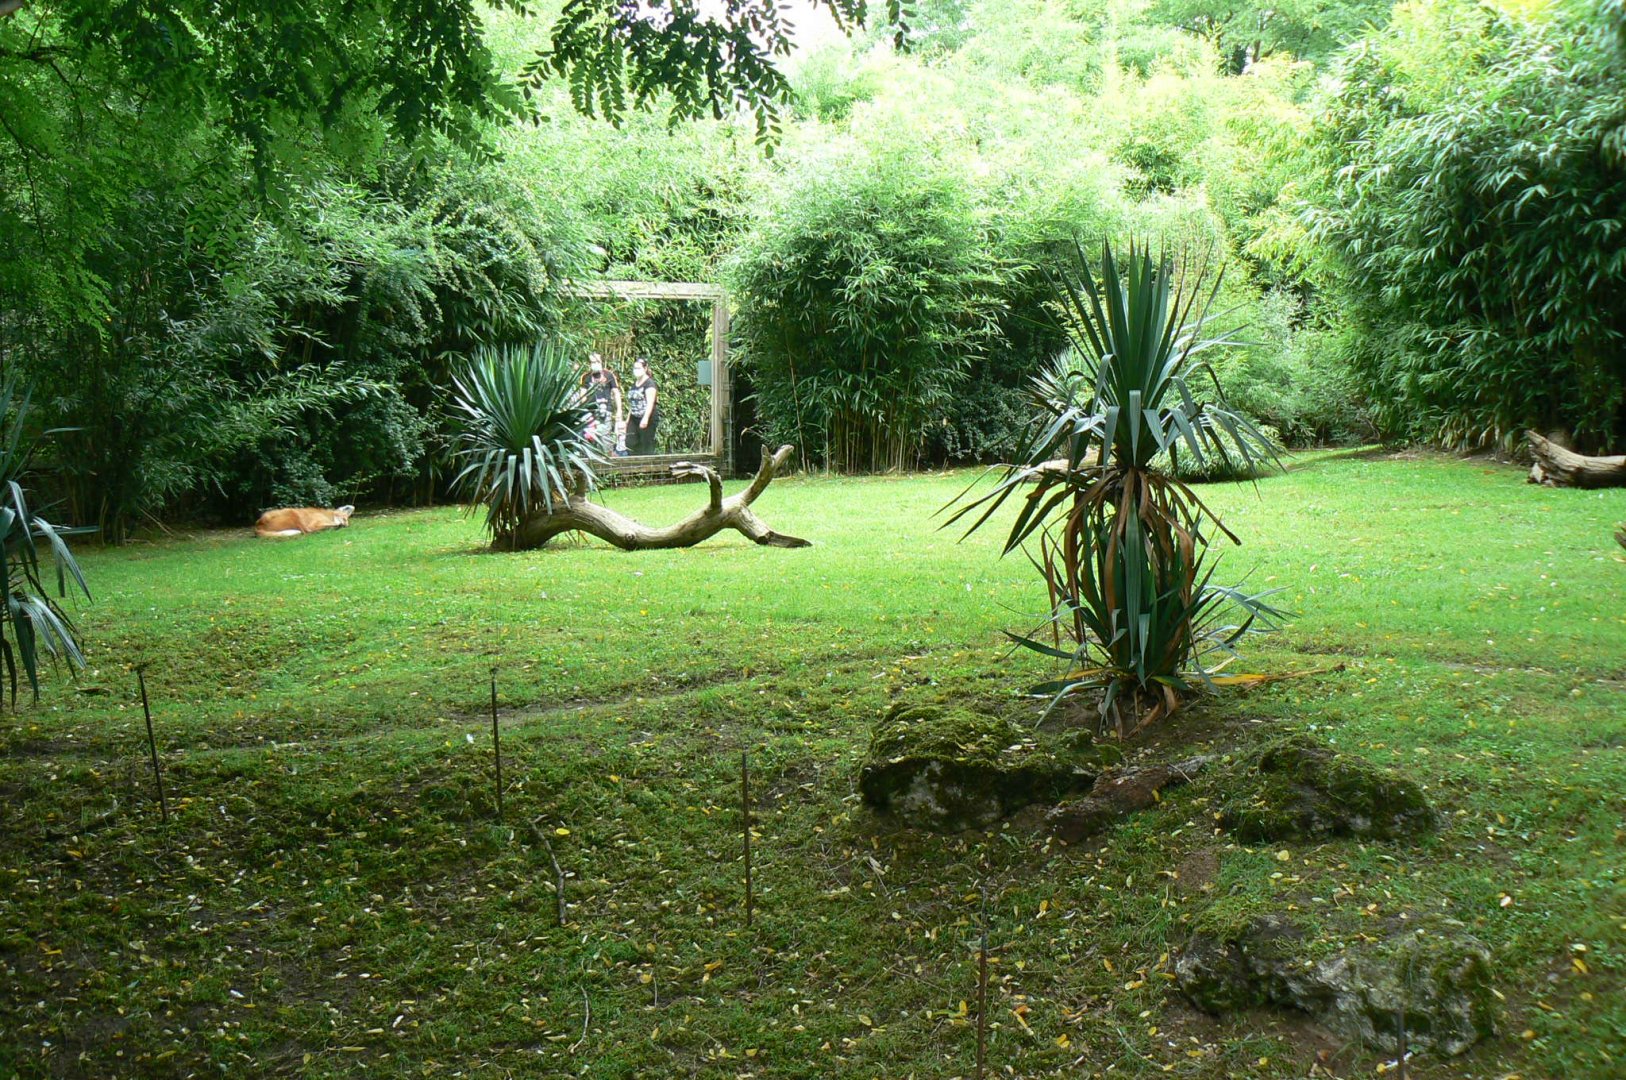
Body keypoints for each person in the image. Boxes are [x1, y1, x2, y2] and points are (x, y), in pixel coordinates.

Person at [580, 352, 622, 452]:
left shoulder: (609, 375)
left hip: (606, 411)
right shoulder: (586, 377)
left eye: (597, 361)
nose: (595, 364)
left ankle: (608, 458)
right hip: (590, 414)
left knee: (605, 439)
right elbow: (582, 395)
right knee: (589, 440)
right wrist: (585, 412)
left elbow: (616, 392)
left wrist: (619, 410)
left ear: (601, 362)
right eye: (592, 362)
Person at [624, 357, 660, 455]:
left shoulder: (649, 384)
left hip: (647, 418)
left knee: (645, 445)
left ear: (645, 368)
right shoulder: (635, 384)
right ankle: (633, 463)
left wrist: (645, 419)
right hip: (634, 417)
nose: (636, 370)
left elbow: (650, 403)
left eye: (638, 368)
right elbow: (633, 403)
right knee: (630, 442)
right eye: (635, 368)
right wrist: (627, 419)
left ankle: (647, 463)